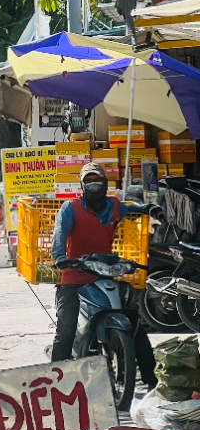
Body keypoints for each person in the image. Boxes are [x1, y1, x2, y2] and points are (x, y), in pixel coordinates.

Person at [51, 161, 156, 386]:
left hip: (103, 273)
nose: (93, 184)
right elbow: (59, 234)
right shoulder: (71, 208)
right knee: (65, 329)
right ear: (82, 184)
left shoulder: (114, 206)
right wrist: (60, 258)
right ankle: (55, 383)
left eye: (97, 179)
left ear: (104, 182)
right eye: (88, 180)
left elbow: (133, 210)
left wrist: (150, 209)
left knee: (134, 321)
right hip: (74, 276)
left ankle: (151, 379)